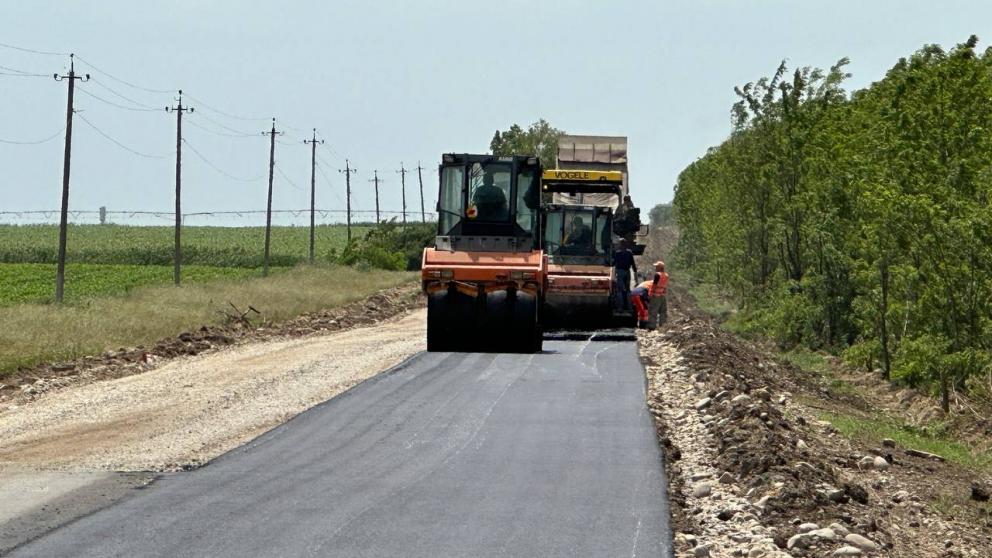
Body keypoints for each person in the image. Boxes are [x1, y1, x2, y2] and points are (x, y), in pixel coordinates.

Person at [613, 240, 637, 309]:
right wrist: (635, 271)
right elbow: (633, 263)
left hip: (620, 272)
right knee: (628, 289)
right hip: (627, 272)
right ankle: (629, 307)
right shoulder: (629, 252)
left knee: (619, 290)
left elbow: (614, 263)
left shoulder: (617, 253)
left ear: (620, 244)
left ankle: (620, 307)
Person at [647, 261, 669, 328]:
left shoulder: (657, 275)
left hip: (655, 295)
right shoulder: (666, 275)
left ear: (659, 267)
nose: (655, 268)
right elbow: (665, 286)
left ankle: (652, 326)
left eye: (656, 266)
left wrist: (650, 294)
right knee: (663, 311)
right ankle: (662, 326)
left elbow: (654, 285)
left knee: (653, 311)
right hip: (662, 296)